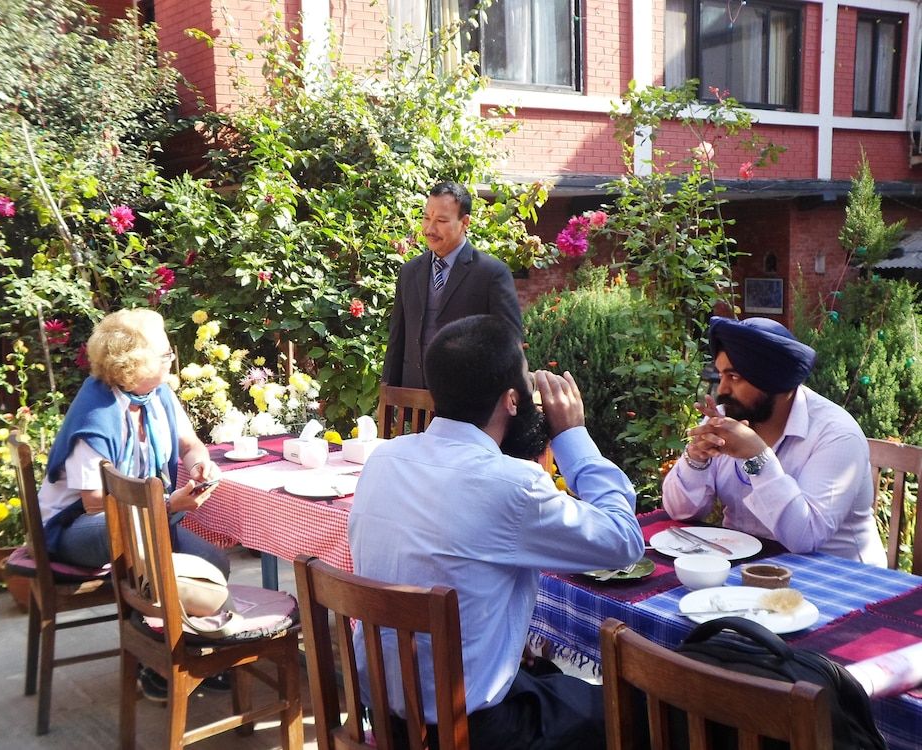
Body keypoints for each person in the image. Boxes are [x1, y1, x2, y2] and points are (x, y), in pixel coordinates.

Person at [350, 314, 644, 750]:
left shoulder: (384, 459)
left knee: (548, 678)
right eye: (526, 384)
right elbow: (623, 542)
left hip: (393, 719)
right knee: (641, 707)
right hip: (472, 731)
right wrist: (573, 436)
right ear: (511, 400)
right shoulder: (511, 484)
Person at [39, 308, 229, 699]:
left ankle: (186, 653)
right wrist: (167, 506)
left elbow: (190, 445)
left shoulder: (157, 395)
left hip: (142, 518)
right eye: (165, 356)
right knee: (153, 561)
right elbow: (96, 506)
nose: (171, 360)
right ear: (136, 363)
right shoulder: (96, 413)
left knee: (215, 562)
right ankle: (158, 658)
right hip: (78, 527)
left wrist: (199, 465)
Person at [662, 316, 886, 566]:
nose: (722, 390)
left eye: (734, 377)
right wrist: (696, 459)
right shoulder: (730, 415)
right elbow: (680, 512)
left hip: (838, 579)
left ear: (774, 382)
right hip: (750, 570)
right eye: (721, 375)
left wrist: (758, 457)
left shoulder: (836, 435)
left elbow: (805, 537)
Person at [381, 181, 523, 388]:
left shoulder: (491, 273)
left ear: (465, 222)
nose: (430, 228)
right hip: (413, 399)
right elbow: (397, 339)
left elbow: (510, 345)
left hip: (468, 403)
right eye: (426, 218)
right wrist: (388, 389)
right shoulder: (409, 272)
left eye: (441, 220)